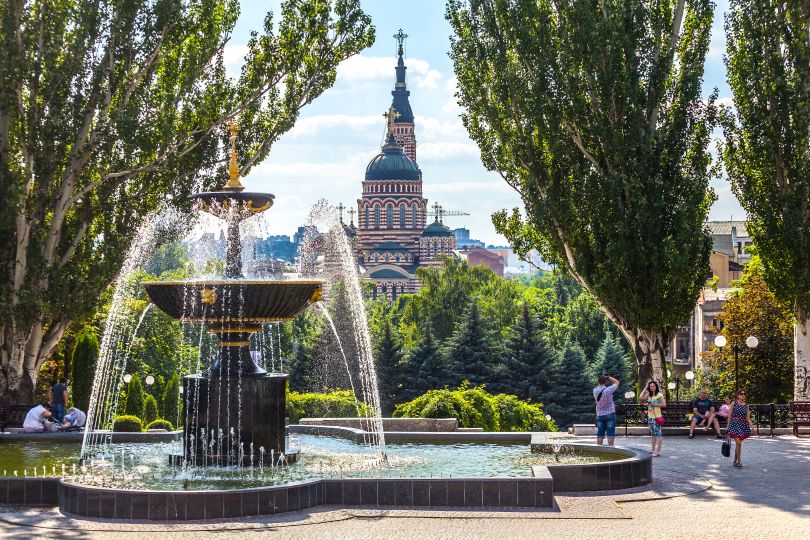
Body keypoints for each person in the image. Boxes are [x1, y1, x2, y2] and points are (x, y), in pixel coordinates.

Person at [727, 389, 755, 467]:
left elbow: (748, 418)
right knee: (738, 443)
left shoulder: (746, 405)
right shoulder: (734, 403)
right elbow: (730, 415)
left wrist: (753, 428)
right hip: (734, 424)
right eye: (741, 394)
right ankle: (739, 461)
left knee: (738, 444)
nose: (743, 395)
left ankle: (735, 461)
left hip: (742, 425)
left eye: (744, 394)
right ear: (738, 395)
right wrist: (728, 426)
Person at [640, 381, 666, 457]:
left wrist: (653, 404)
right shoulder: (649, 394)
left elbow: (664, 404)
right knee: (653, 434)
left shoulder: (659, 394)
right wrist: (645, 387)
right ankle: (653, 450)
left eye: (653, 386)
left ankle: (657, 451)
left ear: (656, 387)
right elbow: (641, 397)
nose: (652, 387)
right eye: (651, 386)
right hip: (650, 417)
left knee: (658, 434)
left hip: (657, 417)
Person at [593, 374, 620, 446]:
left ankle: (599, 451)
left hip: (599, 415)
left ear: (597, 382)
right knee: (610, 434)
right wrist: (608, 377)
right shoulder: (608, 390)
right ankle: (611, 451)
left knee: (600, 434)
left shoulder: (595, 390)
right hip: (610, 414)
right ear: (605, 382)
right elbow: (617, 382)